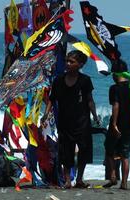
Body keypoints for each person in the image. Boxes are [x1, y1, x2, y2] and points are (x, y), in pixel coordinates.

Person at [41, 50, 100, 189]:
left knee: (84, 150)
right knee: (66, 151)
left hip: (82, 121)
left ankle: (79, 179)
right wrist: (45, 114)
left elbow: (90, 100)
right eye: (67, 61)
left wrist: (95, 116)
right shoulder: (59, 80)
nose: (68, 64)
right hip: (65, 121)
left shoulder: (85, 80)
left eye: (71, 62)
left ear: (80, 64)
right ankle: (67, 181)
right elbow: (51, 99)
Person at [104, 59, 130, 189]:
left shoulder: (114, 88)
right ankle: (125, 183)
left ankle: (113, 176)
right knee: (125, 154)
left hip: (118, 123)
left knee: (109, 149)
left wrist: (114, 124)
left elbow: (116, 105)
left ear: (115, 73)